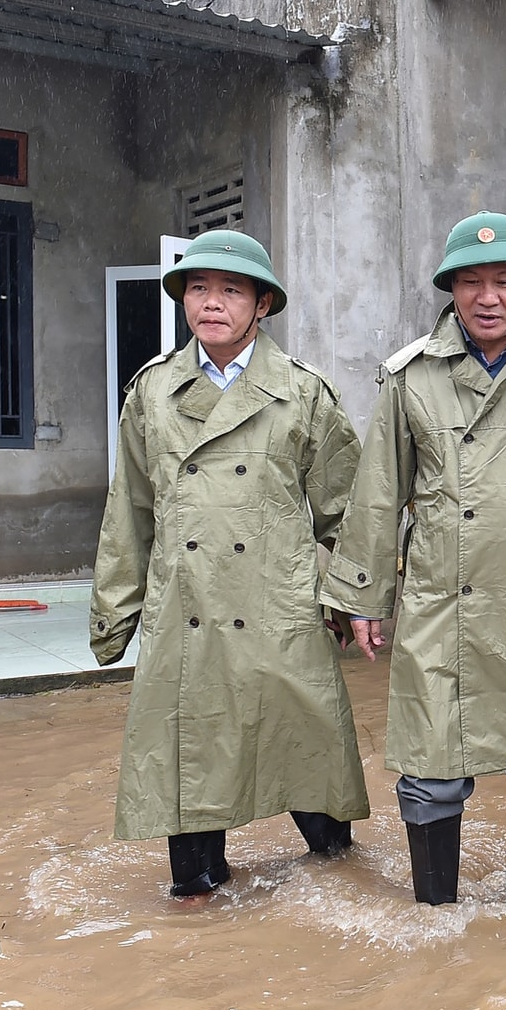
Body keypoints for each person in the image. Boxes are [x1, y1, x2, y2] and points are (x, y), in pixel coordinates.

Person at [320, 212, 506, 905]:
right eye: (470, 282)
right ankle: (435, 920)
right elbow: (378, 492)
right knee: (432, 762)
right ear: (451, 290)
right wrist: (361, 595)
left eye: (504, 280)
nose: (488, 297)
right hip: (444, 602)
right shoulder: (413, 377)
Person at [91, 229, 368, 898]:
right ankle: (199, 921)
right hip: (186, 613)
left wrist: (353, 598)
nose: (210, 302)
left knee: (316, 788)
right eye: (199, 287)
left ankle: (338, 890)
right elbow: (129, 512)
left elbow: (349, 509)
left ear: (262, 303)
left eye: (230, 289)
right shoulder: (151, 394)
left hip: (279, 611)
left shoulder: (303, 394)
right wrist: (115, 614)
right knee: (189, 784)